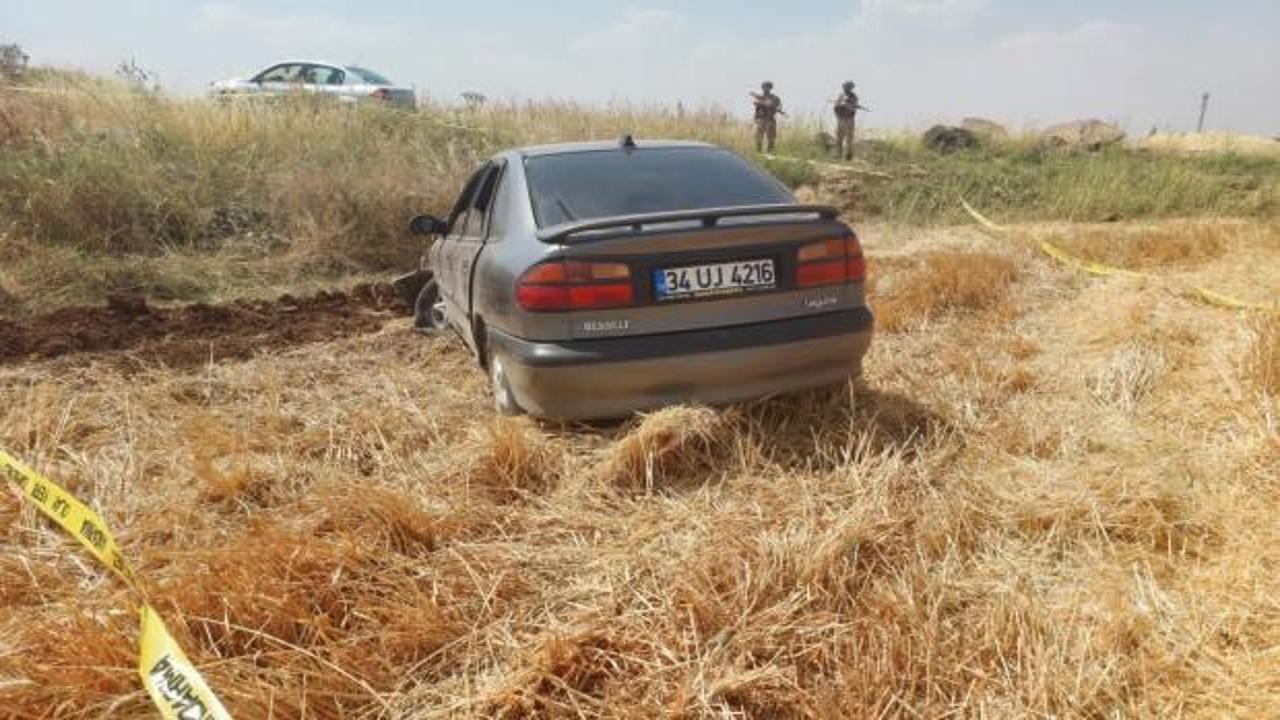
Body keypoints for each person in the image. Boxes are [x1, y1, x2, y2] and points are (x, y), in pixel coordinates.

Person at [833, 80, 867, 160]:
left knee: (849, 138)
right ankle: (838, 155)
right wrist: (840, 106)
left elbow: (852, 109)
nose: (845, 88)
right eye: (845, 86)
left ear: (850, 88)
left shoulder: (854, 96)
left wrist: (848, 105)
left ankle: (848, 155)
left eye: (847, 87)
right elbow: (836, 106)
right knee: (839, 137)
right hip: (840, 118)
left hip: (849, 120)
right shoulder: (841, 95)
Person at [749, 81, 783, 153]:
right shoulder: (760, 97)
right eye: (764, 87)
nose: (765, 89)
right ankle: (758, 152)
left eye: (767, 87)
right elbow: (756, 104)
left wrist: (762, 102)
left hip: (769, 119)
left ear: (770, 88)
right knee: (758, 136)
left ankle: (770, 153)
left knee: (771, 137)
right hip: (761, 118)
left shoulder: (775, 98)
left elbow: (774, 105)